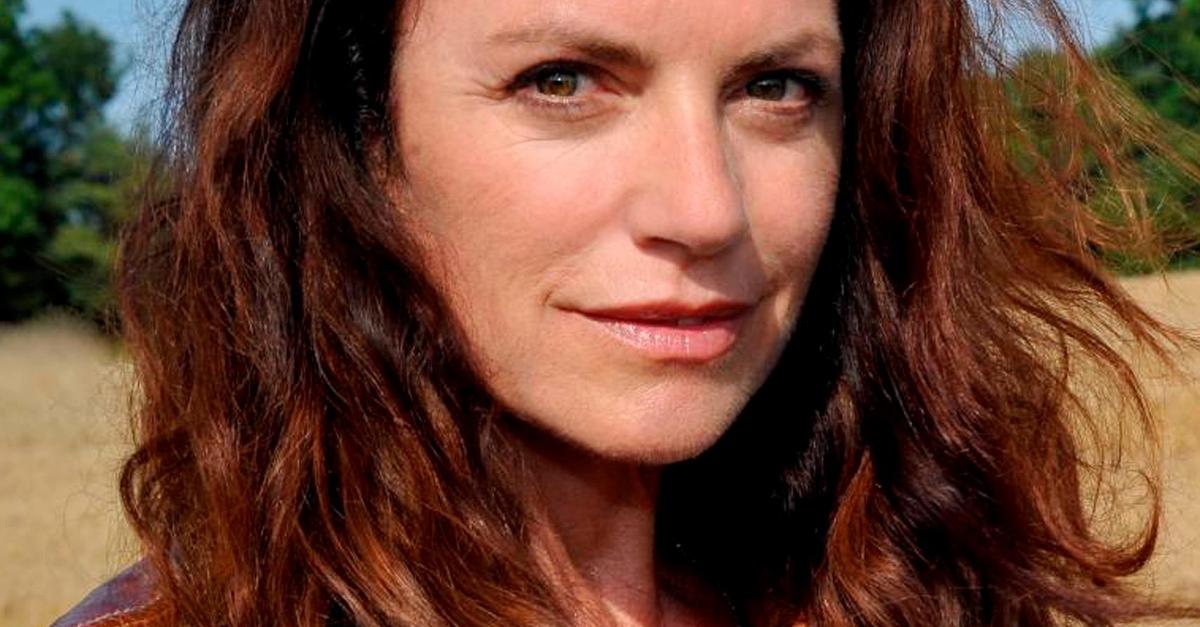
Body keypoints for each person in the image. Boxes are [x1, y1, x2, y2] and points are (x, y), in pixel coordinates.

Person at [53, 0, 1199, 625]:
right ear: (358, 142)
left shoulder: (919, 592)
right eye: (563, 80)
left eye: (775, 87)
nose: (706, 209)